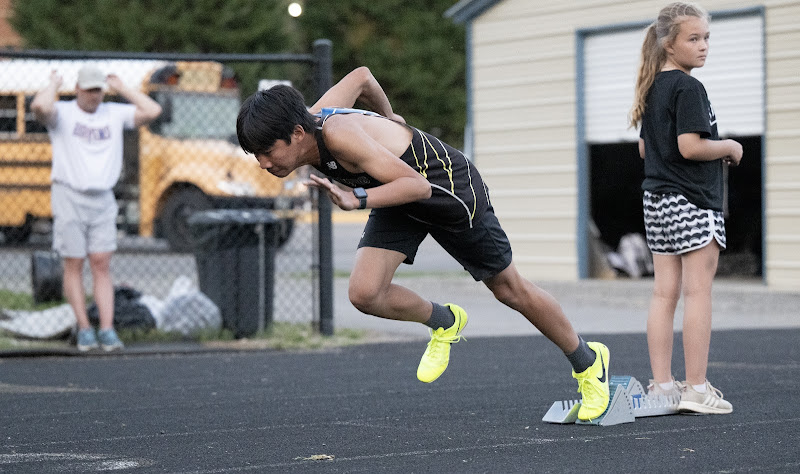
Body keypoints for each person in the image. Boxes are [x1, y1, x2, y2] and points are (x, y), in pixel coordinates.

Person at [237, 66, 611, 421]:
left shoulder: (338, 135)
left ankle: (588, 363)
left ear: (298, 134)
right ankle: (446, 321)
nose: (262, 162)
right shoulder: (308, 118)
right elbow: (362, 77)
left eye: (267, 151)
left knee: (510, 290)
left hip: (447, 190)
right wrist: (391, 117)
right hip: (397, 193)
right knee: (365, 293)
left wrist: (358, 199)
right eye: (255, 155)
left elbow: (418, 185)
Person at [629, 2, 742, 414]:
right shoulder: (687, 87)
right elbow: (690, 146)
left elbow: (646, 148)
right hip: (693, 201)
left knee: (663, 294)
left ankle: (662, 387)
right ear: (669, 43)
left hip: (656, 201)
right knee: (698, 294)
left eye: (707, 37)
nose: (704, 46)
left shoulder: (652, 87)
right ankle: (695, 388)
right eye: (694, 38)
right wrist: (729, 146)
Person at [31, 64, 162, 352]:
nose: (94, 96)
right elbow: (39, 106)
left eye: (98, 90)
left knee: (101, 263)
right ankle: (85, 328)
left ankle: (107, 328)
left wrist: (123, 88)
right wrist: (54, 83)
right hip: (69, 195)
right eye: (89, 89)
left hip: (102, 197)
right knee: (73, 262)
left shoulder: (113, 114)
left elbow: (152, 111)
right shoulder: (63, 113)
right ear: (78, 88)